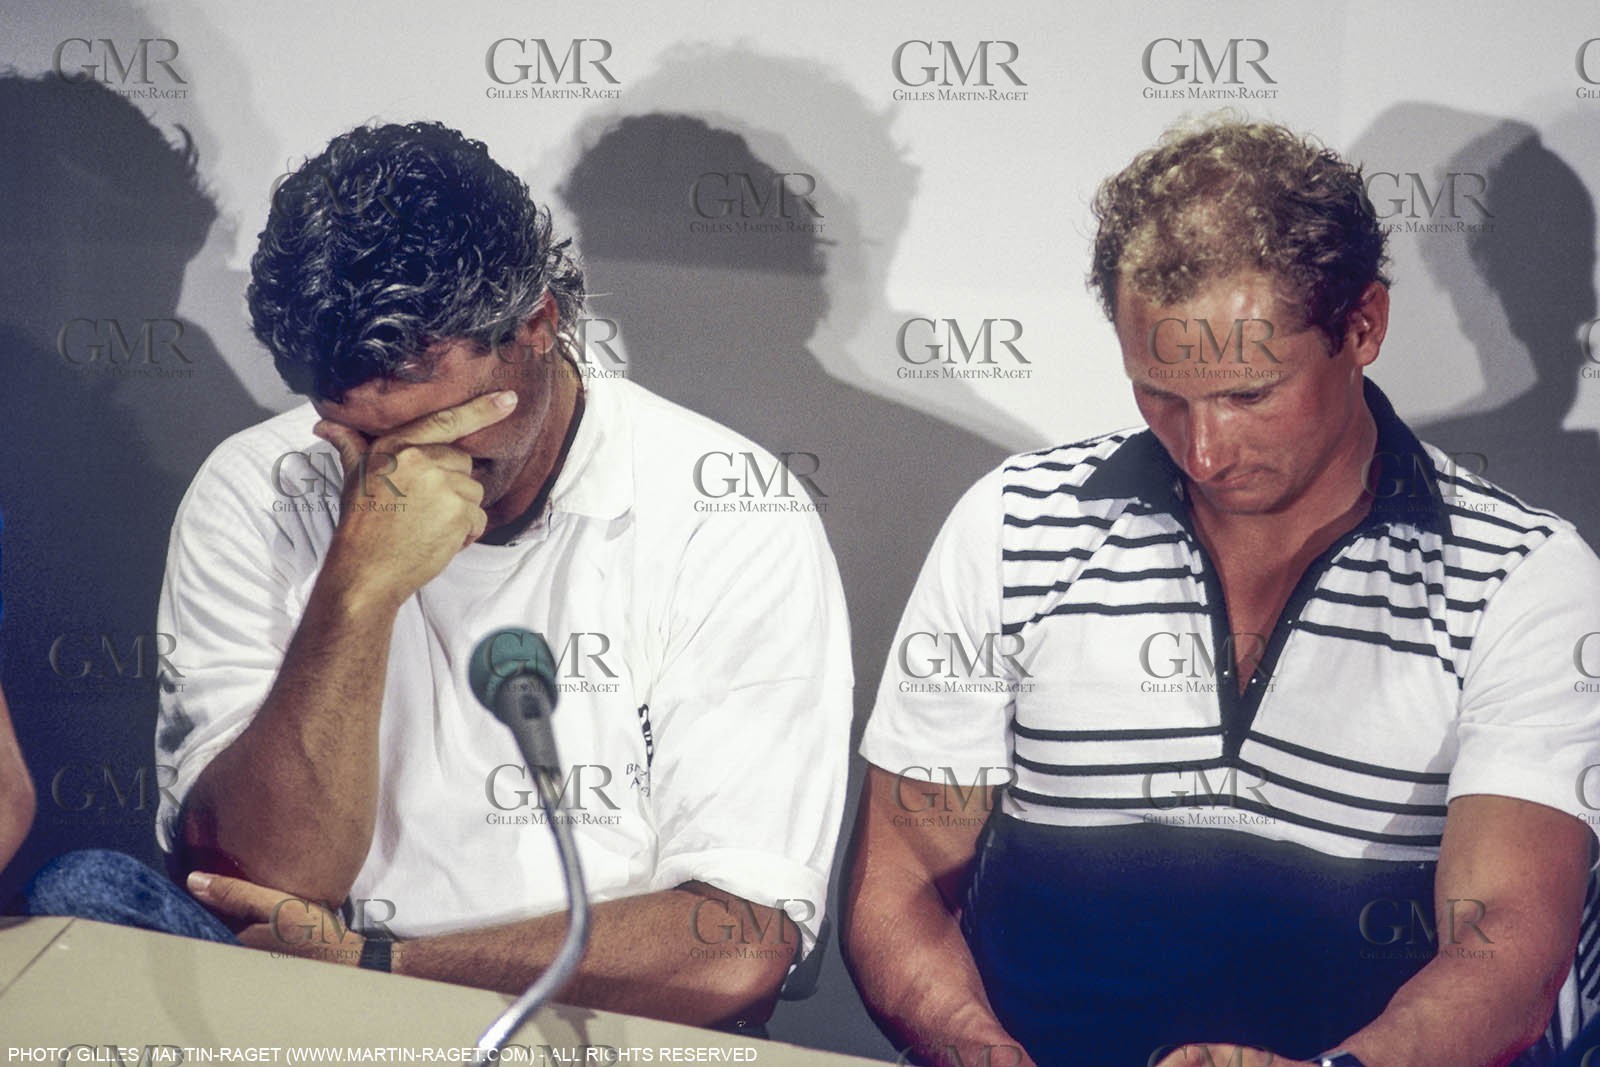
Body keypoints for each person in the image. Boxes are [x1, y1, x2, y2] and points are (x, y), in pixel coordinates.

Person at [30, 121, 852, 1032]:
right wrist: (358, 585)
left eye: (439, 424)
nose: (396, 469)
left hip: (582, 1024)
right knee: (85, 896)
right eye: (362, 436)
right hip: (306, 1009)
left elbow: (736, 940)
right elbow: (261, 883)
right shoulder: (256, 485)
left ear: (537, 323)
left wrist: (386, 971)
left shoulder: (726, 511)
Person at [843, 117, 1600, 1067]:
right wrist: (975, 1048)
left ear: (1362, 325)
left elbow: (1508, 948)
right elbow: (901, 878)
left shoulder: (1521, 575)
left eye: (1248, 394)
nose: (1203, 450)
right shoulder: (1013, 523)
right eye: (1160, 392)